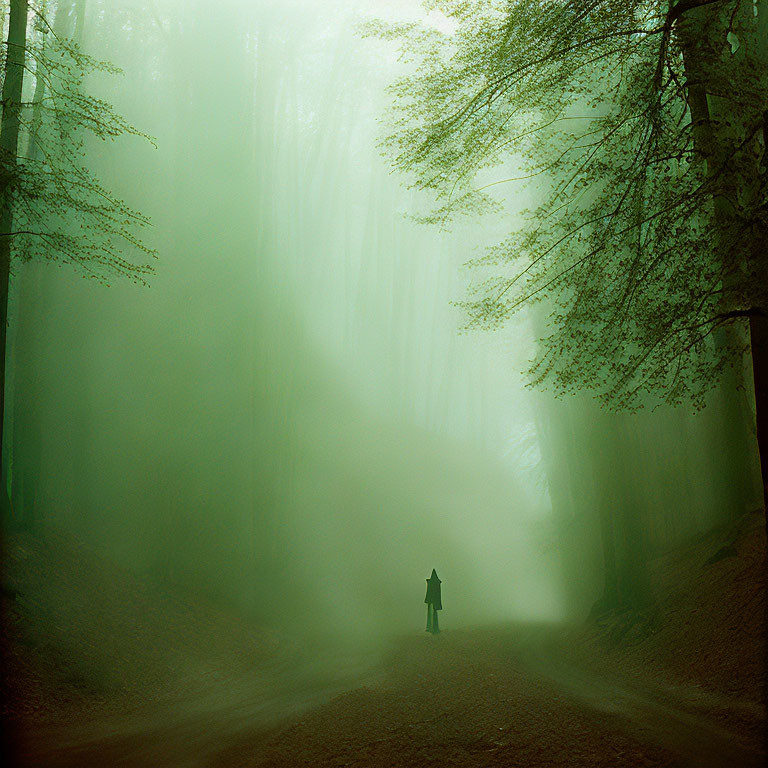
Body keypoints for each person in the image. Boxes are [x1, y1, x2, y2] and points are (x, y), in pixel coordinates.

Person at [424, 568, 442, 634]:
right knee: (434, 614)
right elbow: (438, 593)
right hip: (435, 601)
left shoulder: (431, 582)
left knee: (430, 614)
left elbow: (429, 592)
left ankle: (430, 628)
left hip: (430, 600)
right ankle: (434, 628)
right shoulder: (436, 583)